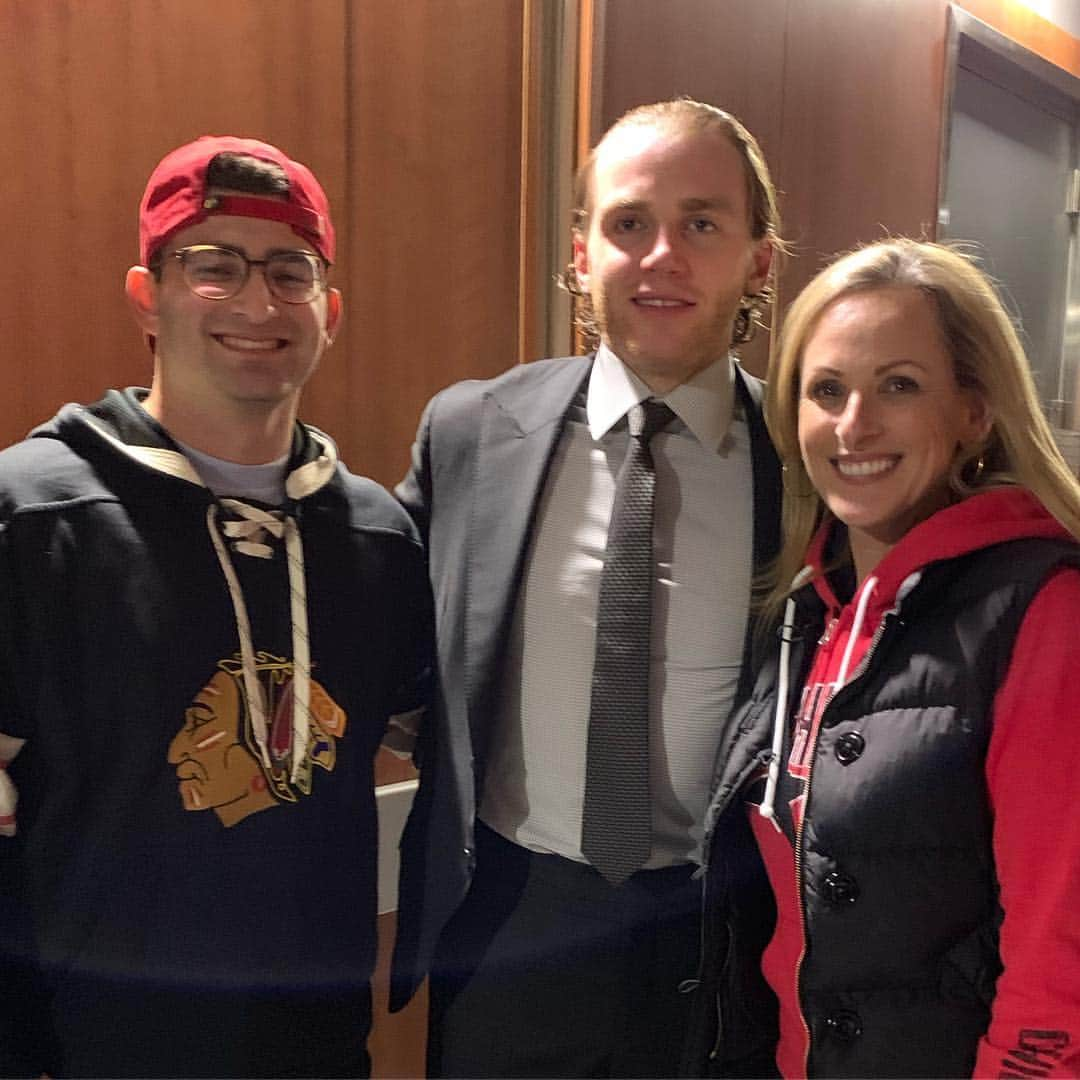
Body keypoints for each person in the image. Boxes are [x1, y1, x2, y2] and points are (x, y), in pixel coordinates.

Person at [0, 135, 431, 1078]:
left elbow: (431, 742)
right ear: (146, 297)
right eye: (212, 265)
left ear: (331, 312)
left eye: (290, 270)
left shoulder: (377, 540)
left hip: (316, 1049)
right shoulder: (33, 518)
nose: (256, 301)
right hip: (84, 1047)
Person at [390, 98, 783, 1078]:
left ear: (759, 261)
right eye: (628, 223)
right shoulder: (471, 433)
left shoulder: (812, 469)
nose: (661, 256)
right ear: (580, 254)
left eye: (701, 223)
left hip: (719, 937)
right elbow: (389, 638)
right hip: (508, 921)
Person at [699, 238, 1080, 1078]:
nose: (854, 424)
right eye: (826, 390)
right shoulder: (805, 615)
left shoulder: (1042, 611)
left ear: (974, 413)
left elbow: (1061, 948)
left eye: (899, 387)